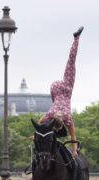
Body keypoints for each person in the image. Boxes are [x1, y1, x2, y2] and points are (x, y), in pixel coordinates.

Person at [38, 26, 84, 157]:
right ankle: (76, 38)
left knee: (71, 61)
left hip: (60, 88)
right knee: (71, 61)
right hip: (55, 89)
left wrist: (37, 136)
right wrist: (74, 150)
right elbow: (40, 122)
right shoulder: (52, 113)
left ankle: (76, 38)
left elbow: (40, 123)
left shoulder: (67, 118)